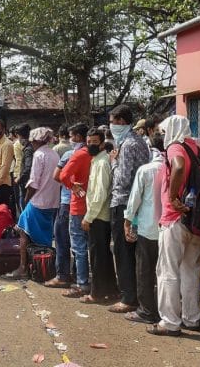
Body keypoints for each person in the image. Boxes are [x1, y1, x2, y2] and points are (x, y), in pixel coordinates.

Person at [147, 115, 200, 338]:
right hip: (196, 220)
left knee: (167, 271)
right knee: (190, 270)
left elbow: (178, 167)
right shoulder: (197, 149)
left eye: (162, 131)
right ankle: (192, 318)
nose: (160, 135)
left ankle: (170, 321)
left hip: (175, 218)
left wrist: (172, 197)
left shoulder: (175, 147)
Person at [108, 105, 150, 314]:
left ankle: (128, 297)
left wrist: (113, 163)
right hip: (138, 204)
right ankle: (134, 294)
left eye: (113, 121)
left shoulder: (128, 145)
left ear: (122, 122)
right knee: (134, 252)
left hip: (123, 203)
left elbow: (123, 179)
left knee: (123, 251)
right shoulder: (140, 142)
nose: (112, 125)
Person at [122, 130, 164, 325]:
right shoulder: (172, 167)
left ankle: (146, 310)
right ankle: (166, 311)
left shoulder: (146, 170)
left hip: (148, 227)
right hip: (169, 228)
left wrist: (127, 220)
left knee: (145, 270)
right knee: (165, 273)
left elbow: (134, 199)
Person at [8, 127, 60, 279]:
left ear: (36, 141)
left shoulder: (39, 155)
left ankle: (23, 267)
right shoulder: (54, 154)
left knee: (23, 231)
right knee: (45, 235)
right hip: (52, 201)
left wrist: (26, 199)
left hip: (38, 200)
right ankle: (44, 265)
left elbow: (34, 182)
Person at [46, 122, 88, 289]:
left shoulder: (72, 154)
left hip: (67, 201)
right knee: (81, 243)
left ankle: (63, 275)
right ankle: (79, 275)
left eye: (71, 136)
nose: (70, 140)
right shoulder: (94, 154)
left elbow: (57, 176)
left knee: (62, 240)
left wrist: (71, 185)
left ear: (77, 137)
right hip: (88, 204)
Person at [79, 128, 119, 302]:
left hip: (99, 216)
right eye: (89, 142)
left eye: (94, 142)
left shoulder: (102, 163)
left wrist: (88, 217)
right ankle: (110, 290)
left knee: (97, 256)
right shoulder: (96, 160)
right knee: (103, 255)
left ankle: (96, 293)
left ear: (102, 143)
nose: (91, 145)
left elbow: (100, 194)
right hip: (97, 214)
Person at [15, 124, 33, 215]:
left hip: (25, 183)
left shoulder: (28, 149)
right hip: (28, 182)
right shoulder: (30, 147)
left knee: (25, 209)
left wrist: (19, 179)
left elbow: (27, 167)